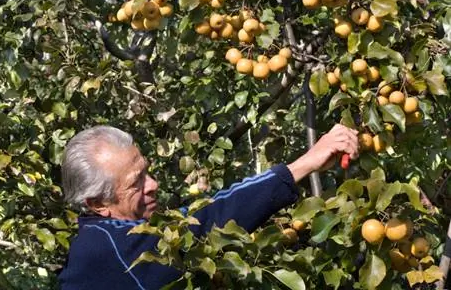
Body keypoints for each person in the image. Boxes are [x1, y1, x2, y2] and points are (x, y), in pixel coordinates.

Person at [58, 124, 359, 290]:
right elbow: (206, 221)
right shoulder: (106, 248)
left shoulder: (110, 236)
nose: (153, 185)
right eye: (136, 182)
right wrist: (305, 163)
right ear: (98, 203)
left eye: (147, 172)